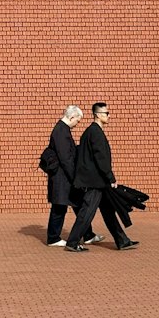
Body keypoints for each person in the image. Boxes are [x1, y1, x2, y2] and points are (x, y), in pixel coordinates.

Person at [65, 101, 138, 251]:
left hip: (97, 180)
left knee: (108, 211)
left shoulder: (91, 131)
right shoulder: (95, 132)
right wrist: (111, 177)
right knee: (87, 211)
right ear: (98, 115)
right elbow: (101, 158)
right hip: (95, 181)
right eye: (106, 113)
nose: (109, 115)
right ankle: (72, 242)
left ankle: (122, 240)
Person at [45, 105, 100, 247]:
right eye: (77, 120)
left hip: (63, 177)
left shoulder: (62, 130)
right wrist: (75, 178)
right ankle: (53, 238)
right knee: (60, 207)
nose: (77, 124)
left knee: (77, 204)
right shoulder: (61, 131)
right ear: (71, 117)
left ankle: (87, 234)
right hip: (62, 178)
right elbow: (65, 158)